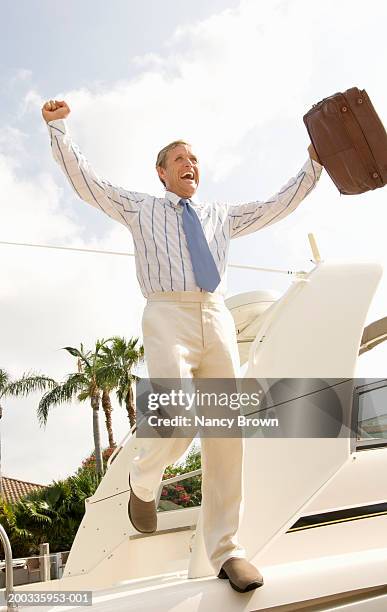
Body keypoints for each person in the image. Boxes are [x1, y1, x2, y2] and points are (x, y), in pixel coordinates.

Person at [42, 98, 323, 593]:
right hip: (166, 311)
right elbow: (88, 184)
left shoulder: (219, 214)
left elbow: (276, 205)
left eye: (195, 160)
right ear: (162, 173)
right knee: (173, 414)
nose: (190, 166)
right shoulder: (141, 207)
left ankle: (225, 550)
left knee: (226, 430)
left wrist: (314, 162)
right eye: (180, 160)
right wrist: (59, 130)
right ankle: (143, 483)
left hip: (215, 314)